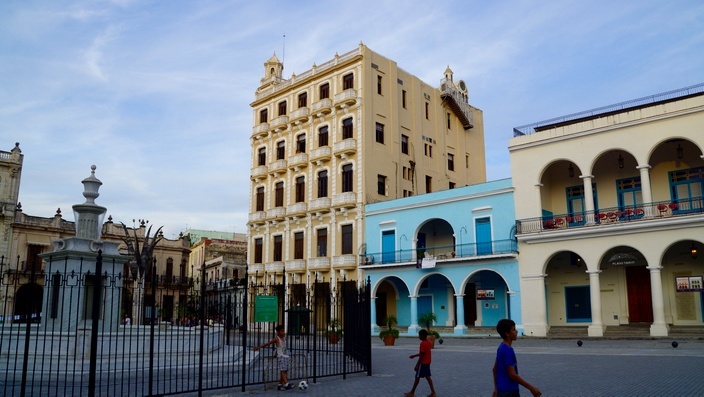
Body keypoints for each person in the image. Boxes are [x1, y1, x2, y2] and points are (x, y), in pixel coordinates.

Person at [493, 319, 541, 397]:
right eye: (513, 330)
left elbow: (495, 369)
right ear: (507, 333)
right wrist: (531, 388)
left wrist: (496, 389)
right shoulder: (507, 350)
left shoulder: (501, 347)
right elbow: (512, 374)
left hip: (501, 390)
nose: (516, 331)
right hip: (509, 391)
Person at [253, 325, 293, 390]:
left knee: (284, 371)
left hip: (286, 356)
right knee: (283, 371)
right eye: (282, 331)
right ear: (278, 332)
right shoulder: (276, 339)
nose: (283, 332)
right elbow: (267, 344)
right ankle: (286, 384)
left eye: (284, 331)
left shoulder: (284, 338)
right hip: (281, 357)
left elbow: (280, 347)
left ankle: (279, 385)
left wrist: (275, 354)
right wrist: (258, 347)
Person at [405, 328, 437, 397]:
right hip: (427, 362)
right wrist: (414, 355)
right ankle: (433, 392)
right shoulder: (428, 343)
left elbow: (422, 355)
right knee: (428, 377)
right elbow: (423, 353)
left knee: (417, 377)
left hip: (423, 363)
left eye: (419, 335)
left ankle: (412, 392)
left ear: (422, 336)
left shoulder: (422, 343)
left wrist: (417, 365)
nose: (419, 337)